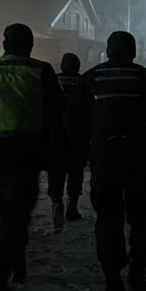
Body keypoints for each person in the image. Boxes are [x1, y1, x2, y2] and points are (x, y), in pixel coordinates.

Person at [68, 30, 146, 291]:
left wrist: (88, 152)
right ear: (133, 51)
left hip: (104, 160)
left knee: (108, 219)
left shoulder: (90, 78)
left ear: (107, 50)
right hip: (138, 159)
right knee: (141, 219)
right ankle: (137, 273)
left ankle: (112, 280)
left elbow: (73, 121)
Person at [0, 23, 63, 291]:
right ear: (30, 45)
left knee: (1, 211)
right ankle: (2, 273)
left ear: (4, 45)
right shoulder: (40, 70)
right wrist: (59, 156)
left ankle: (13, 267)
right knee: (19, 211)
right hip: (26, 147)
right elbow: (59, 115)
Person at [47, 52, 86, 229]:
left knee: (56, 171)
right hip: (78, 135)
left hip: (56, 134)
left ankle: (56, 201)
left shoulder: (54, 81)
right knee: (75, 171)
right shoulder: (83, 82)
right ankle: (72, 206)